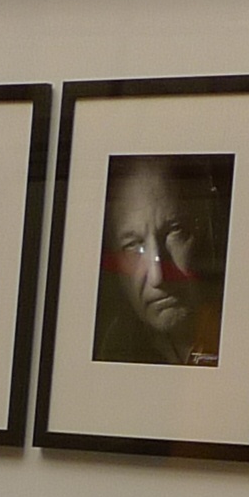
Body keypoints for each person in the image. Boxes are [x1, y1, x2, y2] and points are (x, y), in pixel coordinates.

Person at [95, 154, 229, 366]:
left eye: (175, 232)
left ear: (209, 226)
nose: (158, 277)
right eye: (133, 245)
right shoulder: (114, 347)